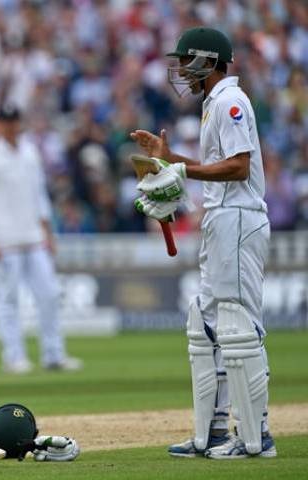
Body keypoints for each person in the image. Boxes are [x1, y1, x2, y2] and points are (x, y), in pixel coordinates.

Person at [130, 27, 276, 459]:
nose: (181, 71)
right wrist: (171, 160)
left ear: (207, 61)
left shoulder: (231, 102)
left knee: (237, 325)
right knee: (207, 324)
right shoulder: (215, 104)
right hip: (222, 220)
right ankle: (213, 431)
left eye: (186, 61)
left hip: (238, 219)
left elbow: (237, 168)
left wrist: (183, 173)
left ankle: (257, 437)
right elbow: (220, 166)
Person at [0, 104, 82, 374]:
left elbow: (40, 197)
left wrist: (48, 233)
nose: (10, 126)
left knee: (50, 295)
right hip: (5, 241)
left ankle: (53, 354)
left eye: (14, 121)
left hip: (33, 238)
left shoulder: (30, 152)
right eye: (6, 121)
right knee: (8, 300)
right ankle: (14, 356)